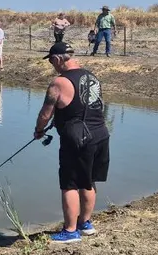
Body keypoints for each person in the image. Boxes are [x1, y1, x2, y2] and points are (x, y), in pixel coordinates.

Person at [33, 42, 110, 243]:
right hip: (100, 133)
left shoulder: (59, 83)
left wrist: (39, 130)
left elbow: (45, 114)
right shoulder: (91, 76)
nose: (52, 65)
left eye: (51, 61)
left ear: (58, 59)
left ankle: (70, 231)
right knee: (89, 180)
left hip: (78, 139)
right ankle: (85, 224)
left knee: (70, 184)